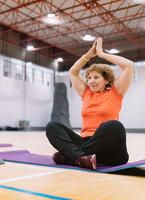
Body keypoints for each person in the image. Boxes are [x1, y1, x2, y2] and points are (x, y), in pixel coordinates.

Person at [45, 38, 134, 170]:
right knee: (52, 126)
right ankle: (80, 158)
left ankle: (72, 156)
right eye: (89, 78)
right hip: (86, 142)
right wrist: (88, 55)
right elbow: (73, 72)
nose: (91, 81)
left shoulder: (116, 91)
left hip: (111, 151)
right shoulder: (86, 93)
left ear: (107, 80)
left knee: (114, 126)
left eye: (96, 77)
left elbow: (129, 65)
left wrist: (102, 54)